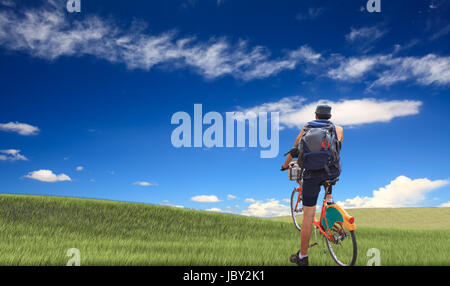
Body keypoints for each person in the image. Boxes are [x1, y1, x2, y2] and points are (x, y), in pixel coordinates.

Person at [281, 104, 343, 266]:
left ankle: (303, 256)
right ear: (330, 116)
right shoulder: (338, 129)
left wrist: (285, 164)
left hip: (311, 173)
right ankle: (329, 200)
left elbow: (294, 148)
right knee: (329, 178)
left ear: (315, 115)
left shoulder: (306, 128)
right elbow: (336, 149)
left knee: (308, 215)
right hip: (332, 171)